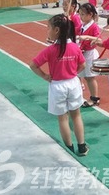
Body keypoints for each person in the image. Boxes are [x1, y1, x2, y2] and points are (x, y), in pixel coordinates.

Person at [29, 14, 89, 156]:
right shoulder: (74, 47)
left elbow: (33, 65)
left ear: (56, 30)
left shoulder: (50, 50)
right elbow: (83, 65)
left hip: (57, 85)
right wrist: (73, 72)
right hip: (73, 84)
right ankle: (82, 147)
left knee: (63, 118)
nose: (47, 30)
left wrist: (45, 76)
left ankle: (69, 149)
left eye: (48, 27)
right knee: (76, 116)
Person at [77, 3, 101, 108]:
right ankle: (79, 96)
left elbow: (98, 39)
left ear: (90, 15)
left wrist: (88, 37)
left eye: (83, 14)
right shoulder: (82, 25)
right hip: (82, 53)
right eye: (80, 14)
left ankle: (94, 98)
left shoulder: (94, 26)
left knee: (90, 77)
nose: (80, 17)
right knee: (83, 76)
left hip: (90, 54)